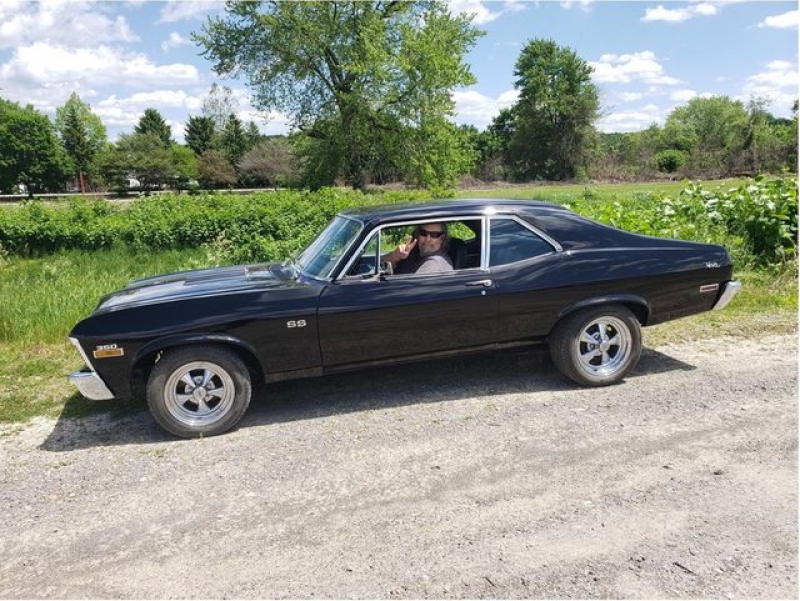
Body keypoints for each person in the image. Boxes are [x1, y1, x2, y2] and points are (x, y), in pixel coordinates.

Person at [383, 222, 454, 274]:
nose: (427, 239)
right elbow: (377, 264)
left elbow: (410, 291)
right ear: (417, 234)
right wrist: (395, 255)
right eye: (423, 233)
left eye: (434, 235)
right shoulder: (414, 252)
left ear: (442, 239)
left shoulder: (434, 264)